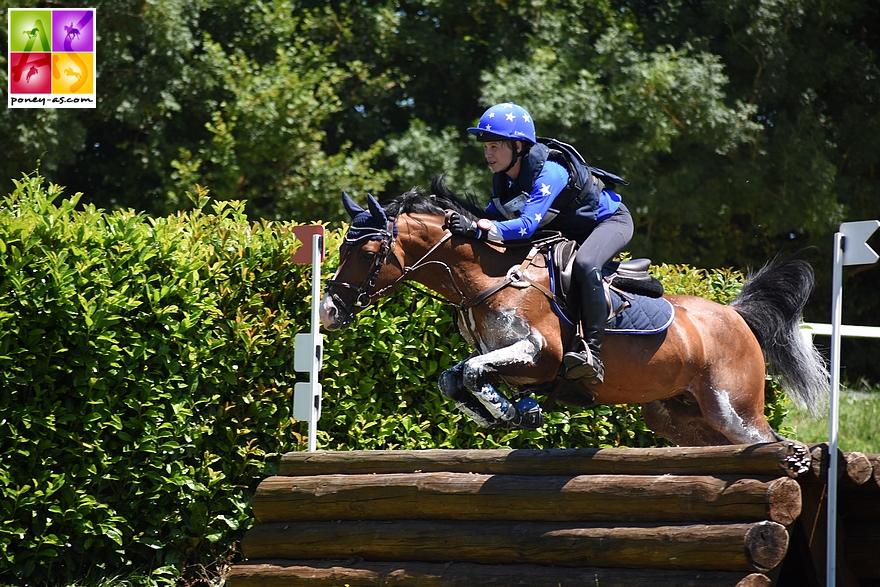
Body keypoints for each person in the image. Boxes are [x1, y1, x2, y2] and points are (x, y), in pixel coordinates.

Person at [446, 102, 634, 385]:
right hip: (572, 230)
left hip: (609, 222)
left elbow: (524, 227)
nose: (488, 154)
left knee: (585, 264)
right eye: (486, 147)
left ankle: (591, 353)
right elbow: (489, 219)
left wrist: (478, 229)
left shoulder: (550, 172)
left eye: (495, 146)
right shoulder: (504, 181)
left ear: (518, 146)